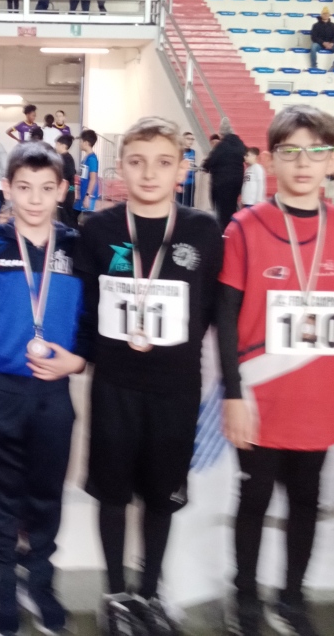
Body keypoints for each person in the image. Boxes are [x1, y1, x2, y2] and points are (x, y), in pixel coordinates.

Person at [220, 105, 334, 636]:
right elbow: (225, 314)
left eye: (315, 152)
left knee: (306, 499)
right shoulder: (246, 226)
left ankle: (292, 597)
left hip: (319, 393)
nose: (303, 163)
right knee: (254, 498)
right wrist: (233, 393)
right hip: (260, 394)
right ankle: (243, 596)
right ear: (269, 160)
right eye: (289, 152)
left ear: (333, 160)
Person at [75, 117, 223, 636]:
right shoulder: (98, 229)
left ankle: (151, 593)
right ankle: (116, 595)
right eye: (136, 162)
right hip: (114, 385)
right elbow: (86, 307)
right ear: (121, 167)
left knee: (162, 495)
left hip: (176, 388)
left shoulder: (203, 230)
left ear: (182, 168)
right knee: (113, 493)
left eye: (163, 163)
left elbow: (211, 309)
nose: (149, 174)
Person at [0, 141, 86, 636]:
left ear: (62, 190)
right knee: (2, 499)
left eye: (45, 188)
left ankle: (40, 581)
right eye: (23, 188)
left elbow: (92, 321)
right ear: (7, 189)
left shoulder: (77, 248)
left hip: (53, 396)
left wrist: (79, 360)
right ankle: (3, 584)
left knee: (45, 495)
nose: (34, 199)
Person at [202, 117, 247, 230]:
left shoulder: (222, 146)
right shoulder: (240, 144)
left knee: (222, 210)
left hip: (222, 182)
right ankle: (233, 229)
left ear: (222, 134)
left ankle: (224, 231)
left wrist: (205, 167)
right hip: (237, 181)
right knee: (232, 206)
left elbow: (212, 160)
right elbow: (245, 155)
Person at [75, 128, 99, 215]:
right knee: (73, 215)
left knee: (87, 218)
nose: (79, 144)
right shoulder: (86, 157)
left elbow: (93, 179)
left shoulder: (92, 159)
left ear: (86, 143)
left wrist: (87, 196)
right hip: (82, 192)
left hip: (88, 195)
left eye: (80, 141)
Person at [56, 134, 78, 227]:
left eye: (57, 144)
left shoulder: (66, 158)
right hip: (68, 191)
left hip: (66, 192)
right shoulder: (66, 157)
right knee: (65, 216)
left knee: (66, 218)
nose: (56, 146)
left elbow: (69, 174)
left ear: (63, 145)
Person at [180, 132, 197, 207]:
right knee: (182, 204)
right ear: (183, 139)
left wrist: (195, 167)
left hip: (191, 181)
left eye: (192, 139)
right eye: (188, 139)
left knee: (190, 204)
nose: (190, 141)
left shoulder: (193, 152)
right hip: (182, 182)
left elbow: (192, 164)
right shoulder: (179, 151)